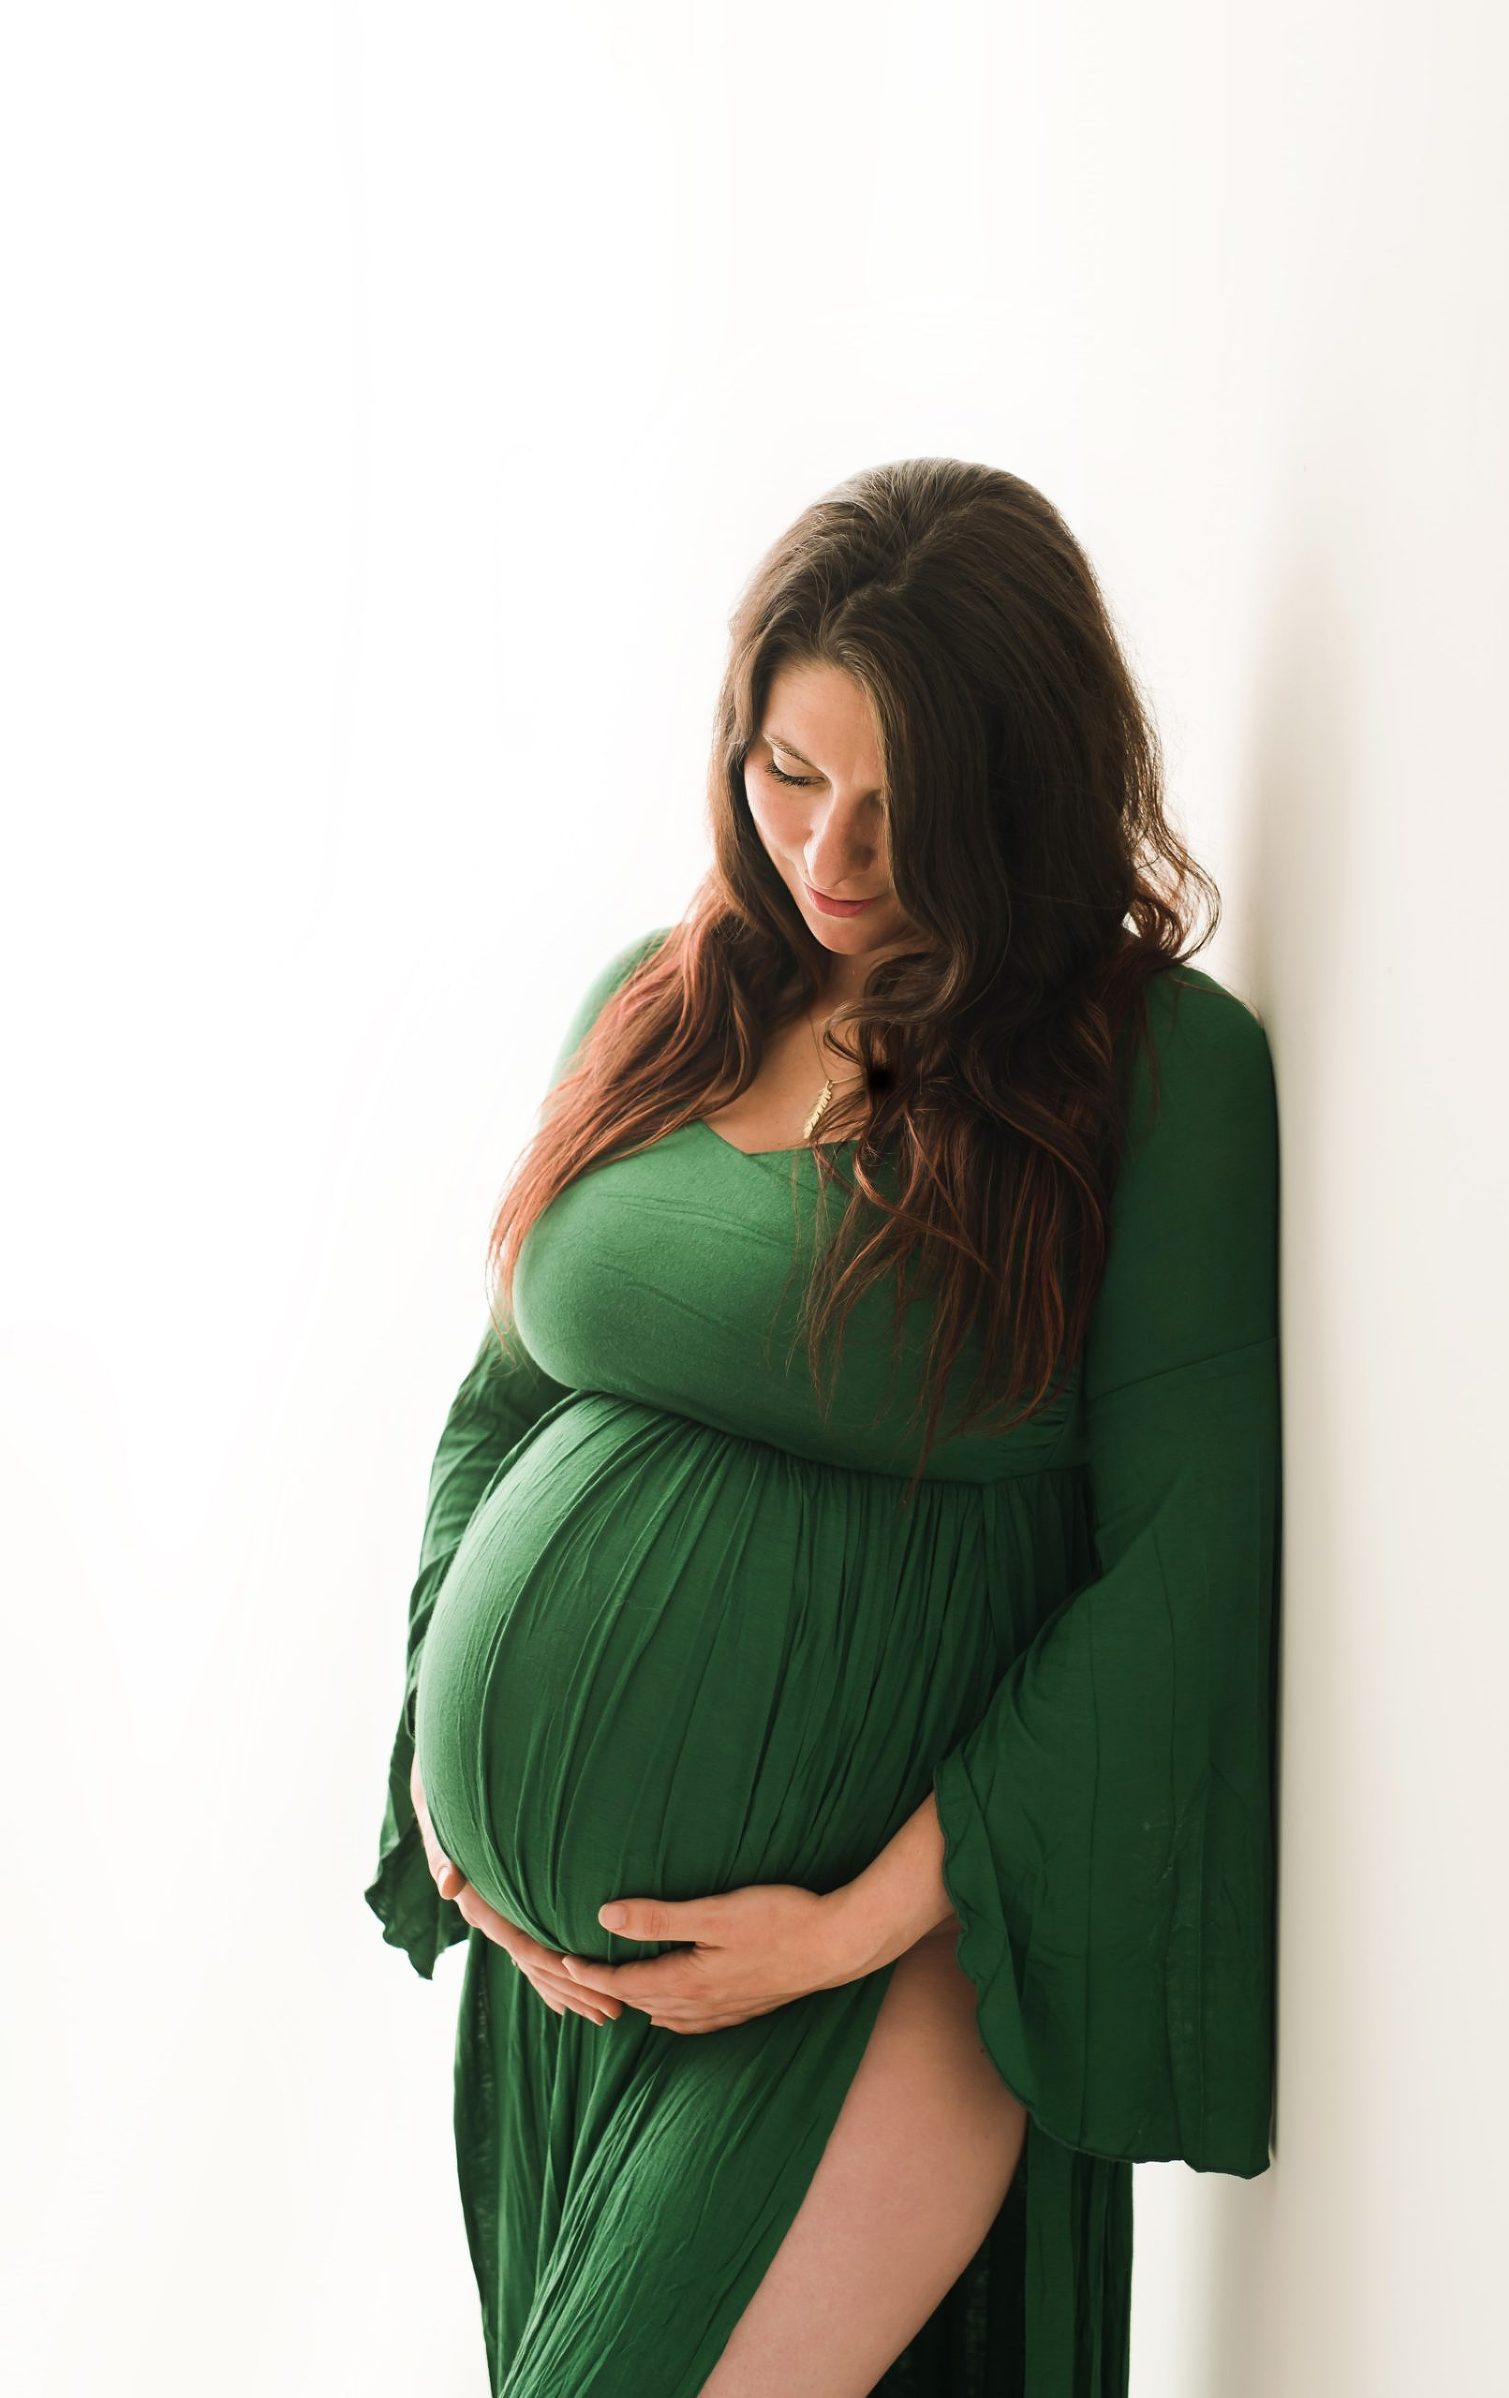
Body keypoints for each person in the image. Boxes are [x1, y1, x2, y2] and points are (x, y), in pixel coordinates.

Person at [364, 457, 1283, 2398]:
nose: (831, 850)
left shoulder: (1146, 1073)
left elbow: (1180, 1567)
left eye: (900, 804)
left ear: (1023, 788)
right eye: (791, 771)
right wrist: (451, 1770)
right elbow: (499, 1402)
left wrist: (850, 1925)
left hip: (874, 1974)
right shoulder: (658, 1004)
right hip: (560, 1995)